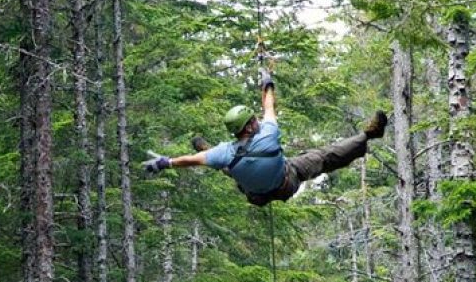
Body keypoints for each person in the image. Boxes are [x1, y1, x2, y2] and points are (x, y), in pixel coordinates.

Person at [143, 69, 387, 206]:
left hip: (256, 195)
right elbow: (269, 106)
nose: (257, 121)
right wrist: (267, 83)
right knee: (324, 157)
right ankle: (368, 135)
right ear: (248, 128)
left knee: (226, 164)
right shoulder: (268, 135)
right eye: (252, 121)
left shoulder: (225, 152)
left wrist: (166, 162)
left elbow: (191, 161)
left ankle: (211, 155)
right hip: (286, 182)